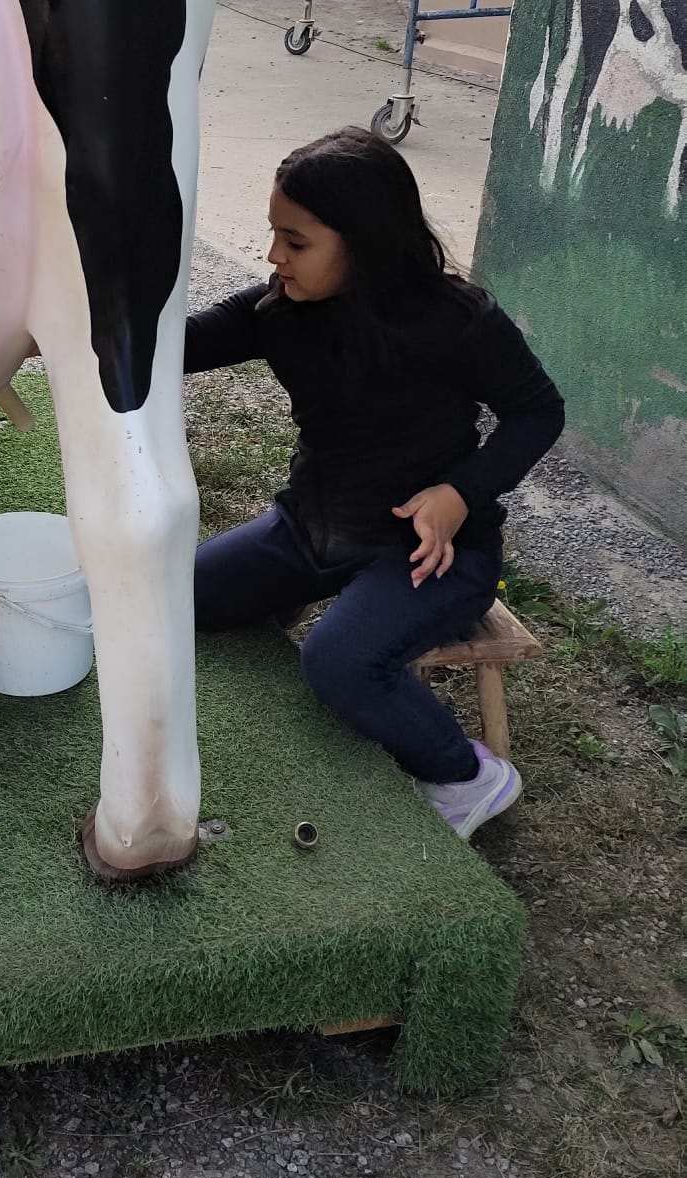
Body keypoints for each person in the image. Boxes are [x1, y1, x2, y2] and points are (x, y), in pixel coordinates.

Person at [186, 126, 564, 841]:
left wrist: (459, 494)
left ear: (363, 243)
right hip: (312, 528)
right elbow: (177, 342)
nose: (274, 256)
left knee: (339, 662)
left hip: (431, 554)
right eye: (274, 234)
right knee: (184, 594)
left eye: (295, 242)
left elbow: (538, 412)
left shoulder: (459, 321)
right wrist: (53, 330)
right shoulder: (279, 310)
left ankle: (467, 776)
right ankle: (308, 597)